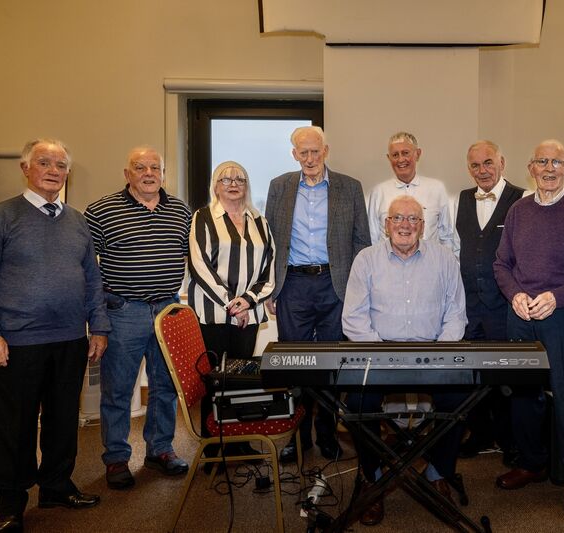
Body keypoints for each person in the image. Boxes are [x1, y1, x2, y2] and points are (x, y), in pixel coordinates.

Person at [0, 138, 110, 532]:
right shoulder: (0, 217)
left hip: (69, 339)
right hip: (16, 342)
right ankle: (10, 503)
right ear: (25, 168)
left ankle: (57, 485)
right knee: (17, 426)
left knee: (64, 420)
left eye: (60, 164)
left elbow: (93, 279)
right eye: (44, 162)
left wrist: (98, 326)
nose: (53, 169)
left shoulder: (78, 221)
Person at [493, 140, 564, 514]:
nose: (549, 167)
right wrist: (514, 296)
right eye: (542, 160)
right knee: (523, 395)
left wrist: (556, 297)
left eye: (558, 161)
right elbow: (502, 265)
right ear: (531, 166)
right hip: (522, 315)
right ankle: (531, 462)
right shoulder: (518, 211)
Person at [342, 195, 467, 526]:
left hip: (433, 354)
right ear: (386, 224)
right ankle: (374, 476)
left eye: (413, 219)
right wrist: (382, 355)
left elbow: (456, 314)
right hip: (379, 354)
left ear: (423, 226)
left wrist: (440, 355)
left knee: (460, 397)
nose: (405, 225)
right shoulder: (365, 260)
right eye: (398, 218)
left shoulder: (444, 259)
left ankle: (438, 471)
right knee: (356, 403)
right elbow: (353, 319)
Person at [84, 146, 192, 490]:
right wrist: (96, 319)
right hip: (123, 311)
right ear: (127, 173)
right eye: (140, 167)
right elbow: (87, 269)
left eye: (155, 167)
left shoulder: (181, 211)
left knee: (165, 386)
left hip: (167, 310)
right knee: (118, 391)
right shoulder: (101, 211)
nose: (149, 173)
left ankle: (159, 450)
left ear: (163, 174)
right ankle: (116, 457)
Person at [265, 126, 371, 463]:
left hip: (334, 284)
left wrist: (357, 289)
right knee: (295, 365)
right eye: (303, 152)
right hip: (293, 285)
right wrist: (270, 286)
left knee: (330, 365)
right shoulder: (279, 186)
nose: (310, 158)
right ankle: (297, 438)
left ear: (325, 151)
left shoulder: (349, 186)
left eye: (315, 151)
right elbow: (270, 242)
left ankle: (327, 435)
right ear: (294, 154)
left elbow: (361, 241)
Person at [188, 161, 275, 460]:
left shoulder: (259, 221)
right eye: (225, 179)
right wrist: (231, 303)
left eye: (239, 178)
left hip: (247, 315)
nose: (233, 183)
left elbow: (269, 268)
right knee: (214, 378)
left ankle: (240, 440)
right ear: (215, 185)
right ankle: (214, 447)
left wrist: (247, 301)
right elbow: (199, 266)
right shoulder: (202, 218)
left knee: (240, 378)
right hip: (213, 313)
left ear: (247, 185)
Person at [454, 140, 525, 460]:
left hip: (504, 306)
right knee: (472, 375)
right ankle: (480, 434)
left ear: (502, 162)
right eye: (475, 165)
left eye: (487, 163)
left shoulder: (522, 199)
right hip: (469, 306)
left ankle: (511, 441)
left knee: (506, 377)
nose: (481, 170)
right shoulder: (462, 199)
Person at [367, 131, 456, 252]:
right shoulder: (378, 192)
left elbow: (446, 237)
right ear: (389, 158)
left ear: (417, 154)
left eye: (405, 153)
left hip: (429, 267)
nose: (400, 159)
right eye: (395, 155)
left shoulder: (437, 189)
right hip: (388, 268)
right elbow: (373, 239)